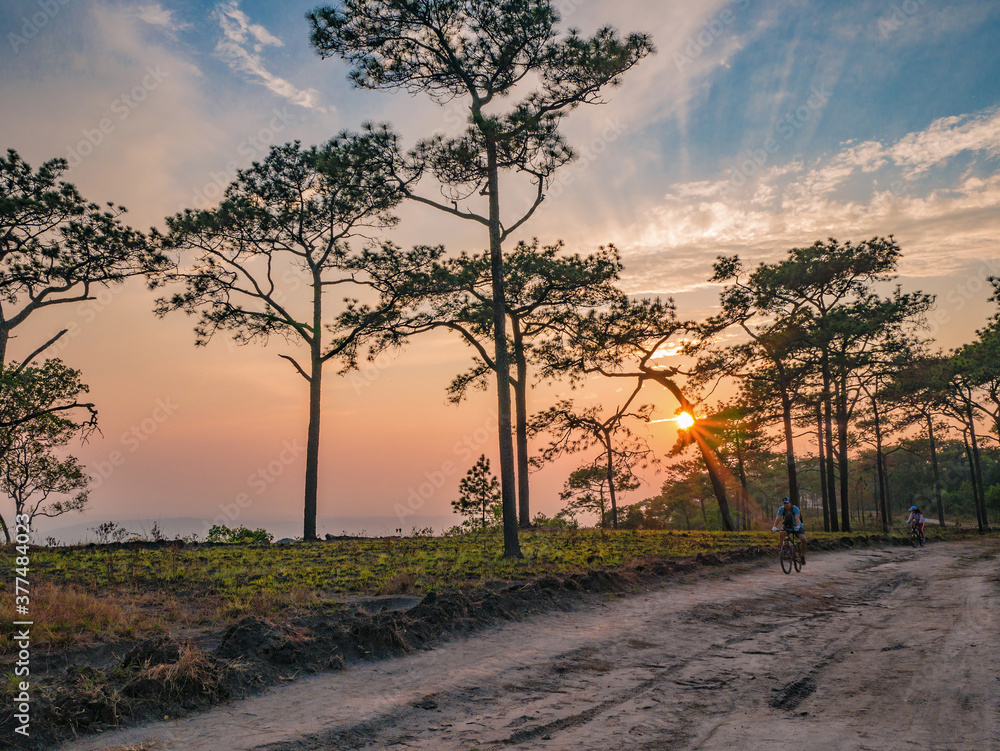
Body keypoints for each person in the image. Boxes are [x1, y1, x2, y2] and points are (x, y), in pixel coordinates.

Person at [771, 496, 807, 566]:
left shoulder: (795, 508)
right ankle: (783, 550)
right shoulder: (781, 509)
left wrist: (798, 526)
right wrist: (774, 526)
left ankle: (802, 556)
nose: (786, 505)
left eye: (787, 503)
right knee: (781, 533)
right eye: (784, 503)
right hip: (787, 526)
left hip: (797, 525)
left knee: (803, 539)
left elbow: (797, 517)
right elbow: (778, 518)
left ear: (790, 503)